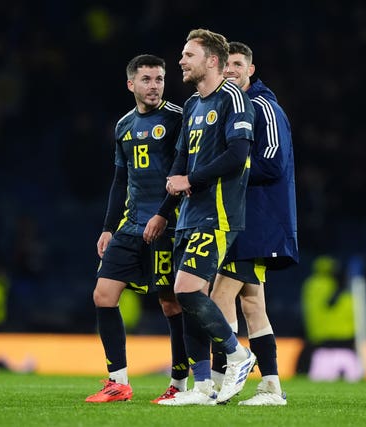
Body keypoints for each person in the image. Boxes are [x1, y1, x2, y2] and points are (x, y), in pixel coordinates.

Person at [158, 29, 256, 406]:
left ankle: (237, 354)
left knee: (185, 290)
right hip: (189, 215)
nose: (181, 61)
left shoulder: (232, 97)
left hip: (217, 214)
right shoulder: (194, 104)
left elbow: (237, 155)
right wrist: (173, 188)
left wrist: (190, 179)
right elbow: (182, 157)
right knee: (188, 298)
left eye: (188, 55)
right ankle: (201, 387)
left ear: (211, 60)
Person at [84, 54, 189, 403]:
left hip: (168, 225)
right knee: (103, 295)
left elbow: (181, 173)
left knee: (171, 304)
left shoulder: (177, 119)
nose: (154, 85)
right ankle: (118, 381)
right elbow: (120, 180)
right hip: (130, 227)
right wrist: (108, 228)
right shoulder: (123, 126)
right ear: (131, 84)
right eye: (146, 79)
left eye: (159, 79)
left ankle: (180, 384)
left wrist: (163, 214)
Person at [209, 42, 299, 406]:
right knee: (252, 304)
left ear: (250, 69)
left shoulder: (264, 107)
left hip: (257, 220)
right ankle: (272, 386)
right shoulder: (234, 107)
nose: (230, 70)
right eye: (225, 64)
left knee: (218, 297)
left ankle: (219, 380)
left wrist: (226, 168)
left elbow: (273, 162)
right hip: (240, 218)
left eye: (237, 64)